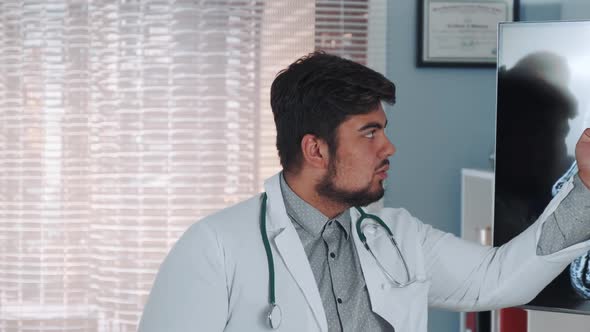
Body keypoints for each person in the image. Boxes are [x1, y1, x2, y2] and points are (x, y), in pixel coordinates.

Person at [138, 52, 590, 332]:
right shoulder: (215, 247)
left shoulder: (396, 235)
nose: (389, 147)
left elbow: (496, 279)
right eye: (369, 133)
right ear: (315, 149)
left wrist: (585, 186)